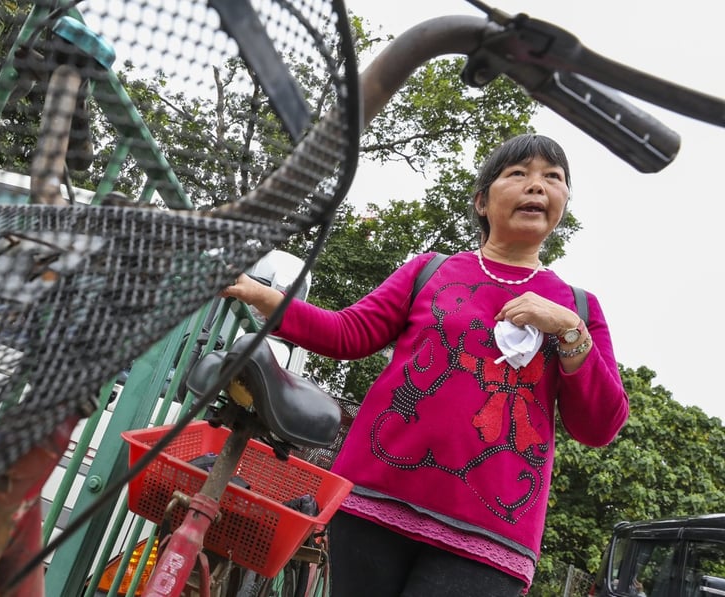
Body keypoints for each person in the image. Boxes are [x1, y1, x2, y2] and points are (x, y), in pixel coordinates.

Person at [221, 134, 628, 597]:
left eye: (553, 178)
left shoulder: (578, 307)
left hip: (490, 537)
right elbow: (346, 332)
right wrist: (259, 294)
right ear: (481, 201)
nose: (537, 187)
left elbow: (598, 427)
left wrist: (570, 331)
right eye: (519, 174)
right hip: (375, 503)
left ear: (564, 202)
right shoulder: (429, 271)